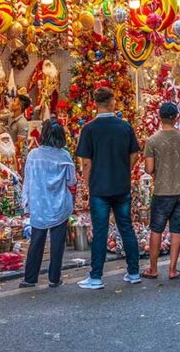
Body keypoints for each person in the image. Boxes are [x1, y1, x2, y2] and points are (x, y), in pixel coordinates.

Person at [75, 87, 141, 290]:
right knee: (126, 227)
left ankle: (96, 276)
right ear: (112, 102)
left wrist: (88, 183)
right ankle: (134, 272)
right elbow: (135, 154)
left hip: (99, 188)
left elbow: (86, 162)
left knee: (100, 231)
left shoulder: (89, 129)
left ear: (95, 104)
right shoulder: (124, 126)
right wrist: (125, 171)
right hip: (121, 185)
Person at [142, 102, 180, 280]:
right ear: (176, 118)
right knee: (177, 229)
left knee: (156, 229)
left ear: (160, 117)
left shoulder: (152, 141)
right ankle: (173, 269)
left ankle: (153, 268)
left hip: (161, 191)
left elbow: (149, 169)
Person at [20, 119, 77, 288]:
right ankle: (54, 278)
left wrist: (25, 202)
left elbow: (27, 179)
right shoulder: (64, 156)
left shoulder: (33, 155)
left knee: (36, 241)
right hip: (60, 204)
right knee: (57, 243)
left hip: (39, 205)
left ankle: (30, 278)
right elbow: (71, 180)